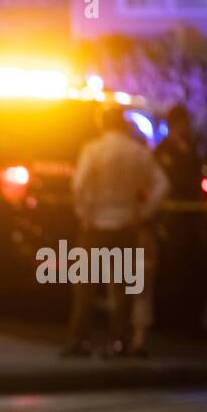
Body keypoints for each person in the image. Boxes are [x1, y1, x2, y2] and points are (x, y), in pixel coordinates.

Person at [65, 106, 169, 358]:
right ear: (123, 125)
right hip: (126, 227)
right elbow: (163, 185)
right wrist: (143, 212)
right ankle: (120, 342)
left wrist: (85, 212)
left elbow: (79, 184)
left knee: (85, 287)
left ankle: (80, 340)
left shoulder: (93, 149)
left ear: (102, 124)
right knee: (123, 290)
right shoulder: (138, 152)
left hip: (96, 226)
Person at [154, 104, 207, 337]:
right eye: (181, 123)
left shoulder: (192, 150)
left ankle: (192, 321)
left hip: (192, 221)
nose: (185, 127)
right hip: (171, 223)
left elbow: (201, 182)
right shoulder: (164, 151)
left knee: (197, 272)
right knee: (171, 272)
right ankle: (169, 321)